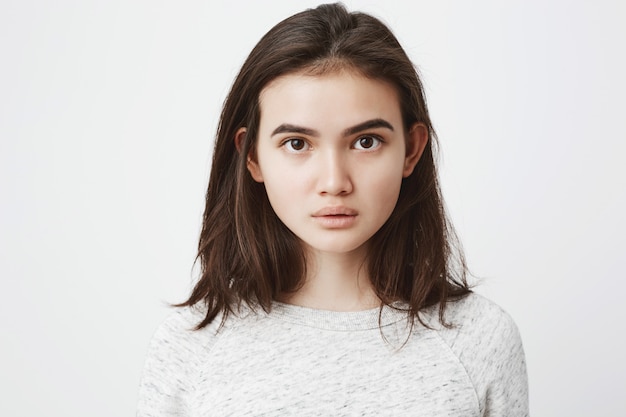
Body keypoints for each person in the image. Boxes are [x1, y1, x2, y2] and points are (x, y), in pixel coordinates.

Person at [136, 3, 528, 416]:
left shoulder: (480, 340)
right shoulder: (191, 345)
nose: (334, 182)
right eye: (297, 144)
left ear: (411, 150)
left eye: (366, 142)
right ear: (252, 156)